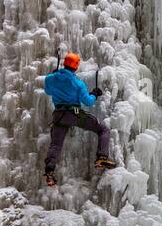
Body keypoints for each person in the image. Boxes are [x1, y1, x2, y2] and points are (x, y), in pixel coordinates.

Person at [43, 52, 115, 186]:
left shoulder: (50, 78)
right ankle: (102, 157)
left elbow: (47, 91)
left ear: (64, 64)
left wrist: (51, 76)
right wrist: (94, 94)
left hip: (59, 116)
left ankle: (49, 170)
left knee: (55, 145)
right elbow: (88, 101)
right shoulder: (77, 83)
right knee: (102, 129)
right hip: (75, 115)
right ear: (76, 67)